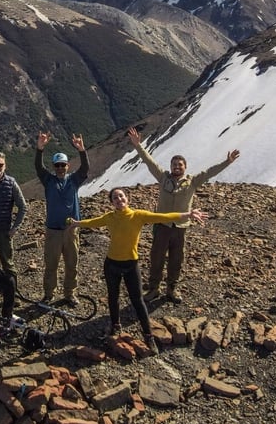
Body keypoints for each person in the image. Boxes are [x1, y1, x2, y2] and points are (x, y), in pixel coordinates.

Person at [67, 187, 197, 355]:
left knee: (137, 301)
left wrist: (187, 215)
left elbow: (163, 217)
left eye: (121, 196)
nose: (119, 199)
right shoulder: (110, 217)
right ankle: (115, 325)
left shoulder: (138, 215)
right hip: (111, 264)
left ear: (127, 198)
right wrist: (76, 224)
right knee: (113, 298)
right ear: (112, 202)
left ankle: (148, 335)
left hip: (131, 265)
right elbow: (93, 222)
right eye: (115, 198)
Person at [127, 126, 240, 302]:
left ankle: (172, 289)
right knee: (156, 258)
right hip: (162, 225)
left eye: (180, 165)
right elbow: (149, 161)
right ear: (170, 167)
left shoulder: (193, 181)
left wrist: (227, 162)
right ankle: (154, 288)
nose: (177, 167)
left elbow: (210, 172)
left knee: (176, 260)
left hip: (180, 227)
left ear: (185, 167)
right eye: (174, 164)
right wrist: (138, 146)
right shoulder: (163, 177)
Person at [34, 131, 88, 305]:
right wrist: (40, 148)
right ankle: (49, 294)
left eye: (62, 165)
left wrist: (81, 150)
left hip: (71, 230)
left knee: (72, 264)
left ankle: (70, 293)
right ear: (54, 166)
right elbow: (38, 168)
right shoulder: (48, 180)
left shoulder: (74, 180)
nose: (59, 168)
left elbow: (85, 168)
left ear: (67, 166)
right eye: (57, 165)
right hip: (53, 231)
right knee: (51, 265)